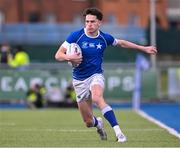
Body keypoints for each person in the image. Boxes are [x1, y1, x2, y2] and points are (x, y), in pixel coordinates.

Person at [55, 7, 157, 143]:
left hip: (95, 75)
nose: (89, 24)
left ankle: (119, 133)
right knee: (88, 122)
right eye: (87, 21)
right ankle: (98, 123)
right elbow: (58, 55)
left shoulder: (104, 38)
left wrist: (143, 48)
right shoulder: (75, 36)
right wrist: (70, 57)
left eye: (92, 21)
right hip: (79, 80)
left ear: (99, 23)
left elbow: (121, 43)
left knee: (97, 98)